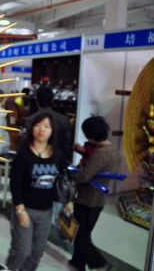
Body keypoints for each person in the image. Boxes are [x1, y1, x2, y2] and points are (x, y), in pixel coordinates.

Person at [7, 112, 67, 271]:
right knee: (22, 250)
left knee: (37, 252)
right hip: (25, 209)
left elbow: (61, 181)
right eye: (38, 125)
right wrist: (20, 210)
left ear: (52, 131)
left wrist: (67, 201)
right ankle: (12, 268)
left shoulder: (57, 156)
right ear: (32, 128)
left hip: (46, 211)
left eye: (47, 126)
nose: (42, 130)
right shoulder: (23, 155)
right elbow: (15, 184)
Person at [69, 116, 120, 271]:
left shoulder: (101, 153)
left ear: (91, 135)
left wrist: (72, 173)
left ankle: (101, 264)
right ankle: (77, 262)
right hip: (96, 199)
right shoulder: (113, 150)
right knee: (82, 233)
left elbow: (84, 176)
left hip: (89, 200)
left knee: (80, 236)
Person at [25, 85, 73, 161]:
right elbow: (67, 144)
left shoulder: (31, 119)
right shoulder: (64, 119)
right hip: (58, 160)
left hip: (36, 160)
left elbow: (28, 142)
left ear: (37, 100)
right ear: (53, 99)